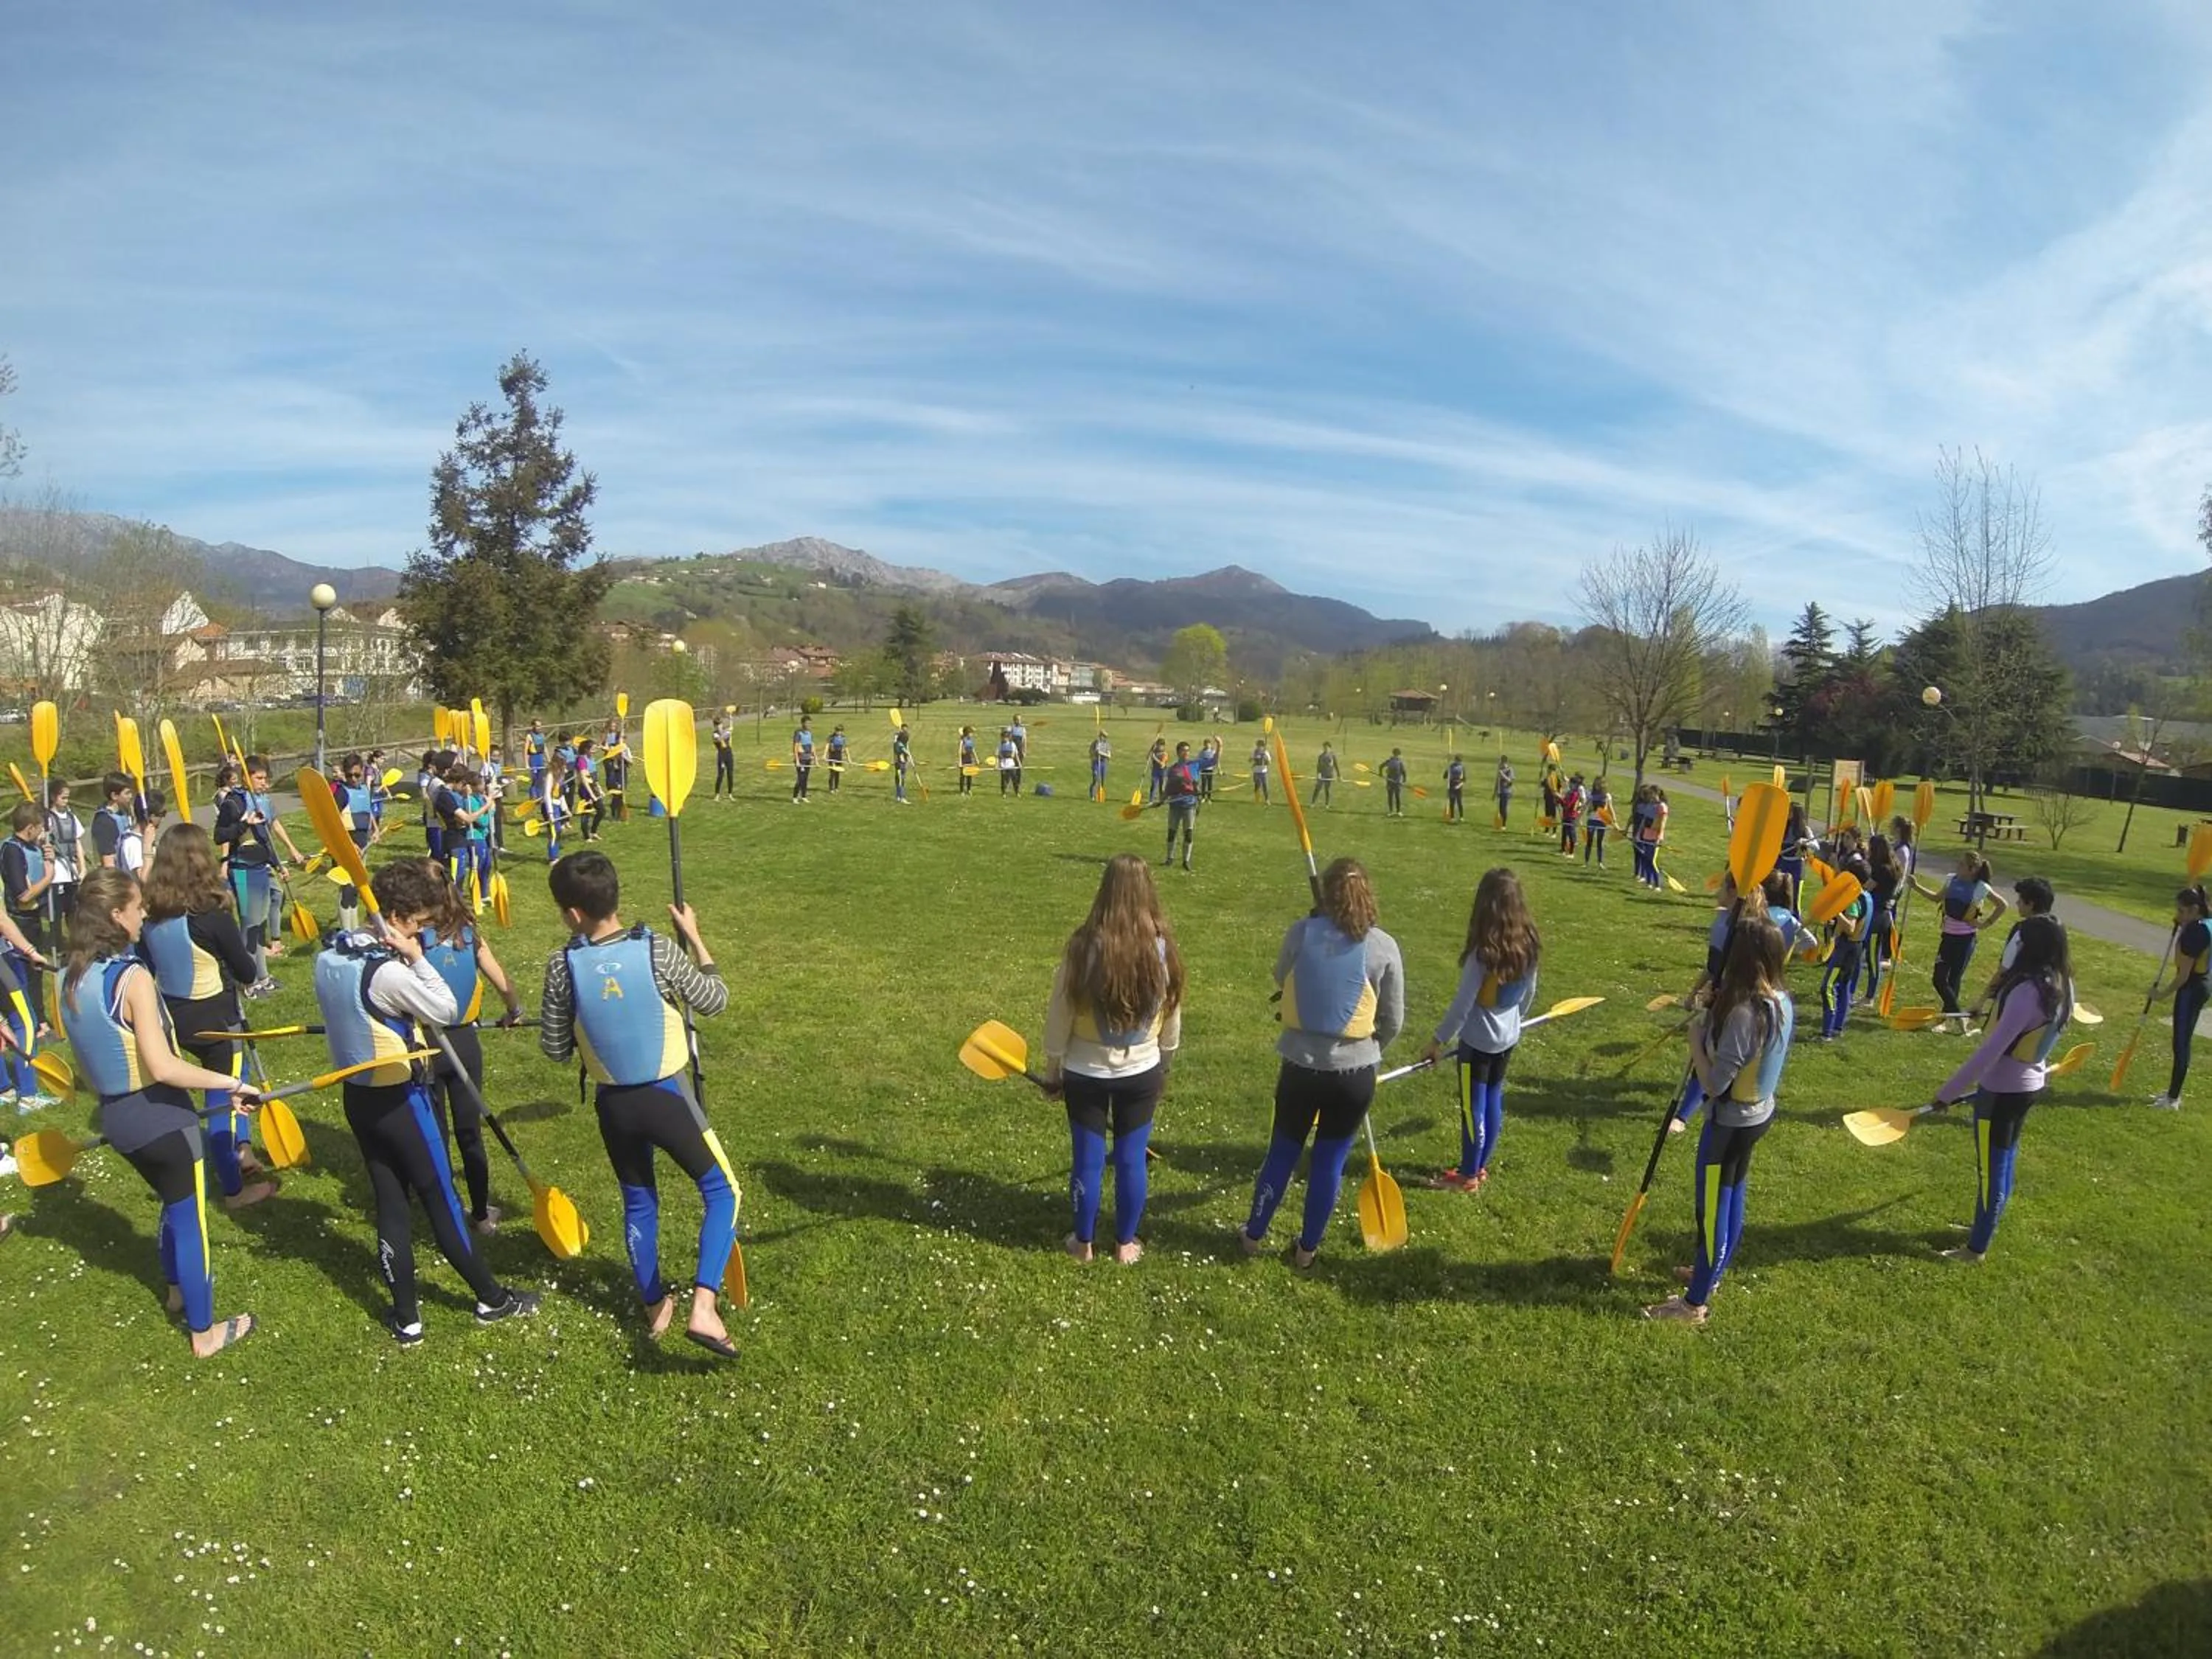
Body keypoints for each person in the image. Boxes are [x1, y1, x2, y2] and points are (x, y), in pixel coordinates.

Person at [313, 858, 540, 1345]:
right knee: (442, 1198)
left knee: (391, 1203)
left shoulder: (330, 955)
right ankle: (491, 1300)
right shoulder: (387, 972)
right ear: (396, 917)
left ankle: (407, 1320)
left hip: (360, 1101)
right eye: (417, 923)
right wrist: (415, 957)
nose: (421, 932)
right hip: (403, 1102)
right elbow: (447, 1009)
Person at [539, 849, 737, 1358]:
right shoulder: (659, 951)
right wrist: (694, 937)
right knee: (722, 1191)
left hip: (614, 1107)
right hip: (667, 1096)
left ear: (574, 915)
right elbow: (714, 998)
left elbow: (556, 1050)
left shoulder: (561, 966)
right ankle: (703, 1307)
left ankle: (655, 1307)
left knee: (639, 1202)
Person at [58, 867, 264, 1356]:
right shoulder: (130, 977)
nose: (144, 911)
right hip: (162, 1118)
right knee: (190, 1220)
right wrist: (231, 1083)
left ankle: (176, 1293)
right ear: (115, 915)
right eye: (136, 906)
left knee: (173, 1206)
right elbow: (164, 1066)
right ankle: (205, 1332)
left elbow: (89, 1063)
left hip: (119, 1120)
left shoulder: (67, 975)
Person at [1240, 858, 1404, 1268]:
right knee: (1329, 1161)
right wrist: (1370, 1050)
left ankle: (1253, 1236)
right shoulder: (1384, 946)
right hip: (1354, 1077)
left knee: (1283, 1152)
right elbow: (1394, 1018)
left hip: (1300, 1067)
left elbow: (1283, 978)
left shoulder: (1301, 932)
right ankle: (1306, 1251)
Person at [1645, 913, 1794, 1324]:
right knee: (1731, 1196)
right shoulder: (1780, 999)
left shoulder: (1747, 1014)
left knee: (1714, 1210)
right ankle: (1711, 1273)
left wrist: (1696, 1040)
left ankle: (1693, 1305)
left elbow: (1713, 1083)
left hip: (1730, 1123)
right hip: (1755, 1117)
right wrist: (1713, 1012)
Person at [1040, 853, 1183, 1265]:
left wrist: (1054, 1067)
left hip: (1085, 1071)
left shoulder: (1082, 946)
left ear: (1104, 892)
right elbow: (1172, 1013)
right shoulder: (1163, 947)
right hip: (1142, 1070)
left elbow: (1060, 1012)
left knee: (1087, 1158)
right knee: (1130, 1158)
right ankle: (1125, 1244)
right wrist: (1165, 1063)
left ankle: (1082, 1244)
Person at [140, 823, 276, 1208]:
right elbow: (248, 972)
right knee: (224, 1100)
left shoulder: (150, 916)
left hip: (171, 1019)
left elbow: (148, 963)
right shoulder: (211, 916)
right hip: (215, 1021)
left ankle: (244, 1151)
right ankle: (234, 1190)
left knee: (237, 1082)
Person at [1927, 914, 2072, 1259]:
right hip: (2028, 1085)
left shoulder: (2026, 991)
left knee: (1991, 1167)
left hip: (2003, 1091)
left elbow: (1991, 1052)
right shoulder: (2060, 982)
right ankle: (1986, 1220)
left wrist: (1946, 1093)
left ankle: (1976, 1247)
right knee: (2005, 1158)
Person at [421, 866, 526, 1234]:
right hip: (464, 1044)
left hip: (425, 1045)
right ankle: (480, 1215)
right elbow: (501, 980)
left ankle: (446, 1213)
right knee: (470, 1132)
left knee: (436, 1133)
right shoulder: (471, 935)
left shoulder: (414, 940)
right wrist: (515, 1010)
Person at [1421, 868, 1538, 1192]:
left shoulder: (1482, 954)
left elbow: (1462, 1005)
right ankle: (1478, 1165)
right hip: (1507, 1038)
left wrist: (1437, 1041)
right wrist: (1515, 1020)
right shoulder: (1529, 943)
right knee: (1493, 1097)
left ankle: (1469, 1175)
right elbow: (1529, 992)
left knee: (1473, 1108)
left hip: (1477, 1043)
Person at [1911, 851, 2006, 1020]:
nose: (1957, 866)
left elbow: (2002, 905)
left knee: (1954, 979)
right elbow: (1936, 898)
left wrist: (1985, 923)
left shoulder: (1981, 888)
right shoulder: (1951, 880)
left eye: (1961, 864)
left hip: (1965, 940)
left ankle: (1949, 1018)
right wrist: (1916, 886)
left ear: (1973, 870)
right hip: (1948, 937)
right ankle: (1959, 1017)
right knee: (1938, 979)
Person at [2149, 885, 2209, 1110]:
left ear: (2195, 910)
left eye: (2182, 911)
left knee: (2181, 1044)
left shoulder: (2195, 933)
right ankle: (2173, 1093)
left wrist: (2161, 994)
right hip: (2203, 985)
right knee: (2181, 1042)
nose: (2178, 916)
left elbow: (2183, 975)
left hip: (2191, 989)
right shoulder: (2205, 925)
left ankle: (2172, 1099)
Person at [2, 801, 55, 1024]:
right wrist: (49, 876)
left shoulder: (32, 846)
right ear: (30, 828)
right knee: (28, 975)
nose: (42, 832)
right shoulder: (12, 850)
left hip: (33, 919)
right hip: (19, 921)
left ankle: (39, 1019)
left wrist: (47, 858)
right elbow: (23, 895)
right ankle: (35, 1022)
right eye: (40, 827)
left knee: (37, 973)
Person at [1817, 859, 1872, 1042]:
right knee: (1844, 987)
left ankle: (1827, 1031)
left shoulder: (1854, 900)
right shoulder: (1868, 897)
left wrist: (1835, 911)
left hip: (1846, 950)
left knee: (1828, 987)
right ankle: (1838, 1027)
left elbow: (1850, 927)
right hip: (1857, 948)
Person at [44, 778, 86, 922]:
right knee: (56, 914)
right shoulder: (47, 819)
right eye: (63, 797)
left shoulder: (72, 818)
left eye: (68, 797)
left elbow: (77, 843)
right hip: (56, 874)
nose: (66, 801)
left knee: (73, 912)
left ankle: (74, 941)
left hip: (71, 872)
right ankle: (57, 941)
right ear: (53, 797)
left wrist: (83, 868)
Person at [90, 771, 140, 872]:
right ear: (114, 796)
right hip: (116, 876)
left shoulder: (124, 813)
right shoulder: (104, 821)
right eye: (127, 793)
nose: (131, 796)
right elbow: (108, 861)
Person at [1161, 741, 1199, 872]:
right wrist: (1162, 799)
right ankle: (1170, 858)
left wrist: (1219, 746)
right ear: (1178, 752)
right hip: (1175, 805)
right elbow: (1168, 788)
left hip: (1189, 805)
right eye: (1184, 750)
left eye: (1188, 750)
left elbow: (1214, 760)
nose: (1186, 753)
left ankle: (1186, 861)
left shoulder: (1194, 765)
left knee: (1188, 834)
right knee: (1172, 832)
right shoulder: (1173, 770)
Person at [1630, 785, 1670, 890]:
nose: (1650, 796)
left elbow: (1662, 824)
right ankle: (1649, 882)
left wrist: (1658, 838)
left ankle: (1657, 885)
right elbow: (1643, 822)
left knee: (1652, 861)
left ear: (1657, 794)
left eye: (1651, 794)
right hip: (1645, 836)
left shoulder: (1662, 806)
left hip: (1654, 838)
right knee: (1646, 860)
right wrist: (1638, 835)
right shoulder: (1650, 805)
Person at [1584, 776, 1612, 868]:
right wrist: (1578, 817)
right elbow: (1586, 806)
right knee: (1589, 841)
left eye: (1599, 784)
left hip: (1601, 821)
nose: (1597, 785)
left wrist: (1614, 820)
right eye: (1596, 783)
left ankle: (1600, 862)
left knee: (1600, 842)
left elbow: (1610, 809)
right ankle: (1586, 862)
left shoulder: (1607, 796)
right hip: (1592, 820)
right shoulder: (1591, 794)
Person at [711, 712, 736, 800]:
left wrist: (730, 727)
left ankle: (730, 794)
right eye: (717, 725)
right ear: (715, 726)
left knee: (730, 775)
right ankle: (717, 795)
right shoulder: (715, 734)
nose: (719, 727)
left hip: (729, 754)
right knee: (720, 775)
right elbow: (720, 739)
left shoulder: (726, 731)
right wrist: (728, 731)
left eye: (720, 724)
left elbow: (728, 737)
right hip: (721, 755)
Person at [790, 715, 815, 803]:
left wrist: (815, 758)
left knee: (806, 778)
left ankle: (804, 796)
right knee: (800, 779)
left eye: (810, 723)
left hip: (808, 759)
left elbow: (812, 745)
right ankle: (795, 797)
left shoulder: (810, 733)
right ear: (803, 723)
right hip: (801, 760)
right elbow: (796, 747)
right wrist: (797, 760)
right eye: (807, 723)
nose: (808, 725)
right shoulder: (798, 733)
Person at [1559, 772, 1583, 855]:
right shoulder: (1569, 793)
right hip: (1566, 815)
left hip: (1571, 816)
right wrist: (1559, 800)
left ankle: (1571, 853)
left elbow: (1568, 805)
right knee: (1564, 834)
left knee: (1571, 834)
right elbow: (1564, 804)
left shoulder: (1575, 794)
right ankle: (1562, 850)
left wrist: (1561, 799)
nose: (1571, 785)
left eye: (1573, 784)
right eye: (1571, 783)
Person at [1382, 748, 1408, 817]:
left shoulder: (1399, 762)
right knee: (1391, 796)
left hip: (1397, 782)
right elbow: (1381, 766)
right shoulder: (1391, 761)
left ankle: (1398, 811)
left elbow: (1403, 772)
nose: (1397, 756)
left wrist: (1404, 781)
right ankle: (1391, 811)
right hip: (1390, 782)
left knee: (1397, 797)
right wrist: (1380, 774)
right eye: (1396, 754)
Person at [525, 720, 549, 795]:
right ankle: (533, 795)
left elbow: (545, 748)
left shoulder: (542, 735)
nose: (539, 728)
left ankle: (540, 795)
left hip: (540, 758)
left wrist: (548, 759)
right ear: (533, 726)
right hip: (533, 759)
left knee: (541, 778)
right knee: (535, 778)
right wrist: (526, 764)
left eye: (540, 726)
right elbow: (525, 750)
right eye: (537, 726)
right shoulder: (529, 736)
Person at [1312, 742, 1338, 809]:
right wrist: (1319, 774)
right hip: (1322, 775)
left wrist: (1339, 775)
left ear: (1330, 748)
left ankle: (1327, 804)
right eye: (1324, 748)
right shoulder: (1321, 756)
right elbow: (1319, 766)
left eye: (1327, 748)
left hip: (1329, 775)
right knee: (1317, 789)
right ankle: (1313, 803)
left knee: (1327, 790)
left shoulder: (1333, 756)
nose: (1325, 749)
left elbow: (1336, 766)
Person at [998, 729, 1022, 796]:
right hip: (1003, 765)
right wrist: (997, 765)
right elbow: (998, 755)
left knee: (1014, 779)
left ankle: (1017, 792)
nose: (1003, 739)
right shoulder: (1000, 745)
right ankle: (1004, 793)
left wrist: (1019, 764)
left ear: (1008, 738)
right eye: (1002, 737)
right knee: (1004, 780)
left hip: (1011, 765)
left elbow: (1016, 755)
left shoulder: (1012, 745)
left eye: (1005, 737)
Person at [827, 725, 849, 796]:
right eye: (837, 731)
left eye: (840, 731)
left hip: (839, 757)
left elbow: (845, 748)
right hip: (832, 756)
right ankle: (831, 789)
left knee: (838, 773)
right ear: (835, 730)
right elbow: (829, 747)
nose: (839, 732)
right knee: (832, 773)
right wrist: (825, 755)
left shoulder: (843, 738)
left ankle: (836, 787)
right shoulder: (832, 738)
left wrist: (848, 758)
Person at [891, 727, 912, 804]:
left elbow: (896, 738)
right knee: (901, 781)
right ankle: (902, 798)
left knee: (898, 780)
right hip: (901, 765)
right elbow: (905, 751)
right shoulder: (900, 745)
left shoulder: (896, 743)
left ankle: (898, 796)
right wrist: (909, 755)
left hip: (898, 764)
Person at [1087, 728, 1109, 801]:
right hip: (1096, 763)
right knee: (1096, 779)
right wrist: (1096, 753)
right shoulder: (1096, 743)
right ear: (1100, 736)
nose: (1104, 738)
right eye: (1103, 736)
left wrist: (1103, 754)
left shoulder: (1107, 744)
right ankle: (1092, 795)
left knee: (1103, 780)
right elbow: (1093, 752)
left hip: (1103, 763)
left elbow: (1109, 754)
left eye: (1105, 737)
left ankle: (1100, 795)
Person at [1146, 736, 1169, 804]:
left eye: (1160, 746)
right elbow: (1147, 757)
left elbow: (1162, 765)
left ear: (1163, 746)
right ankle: (1151, 800)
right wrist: (1151, 750)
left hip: (1162, 772)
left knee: (1162, 787)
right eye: (1158, 745)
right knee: (1154, 785)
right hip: (1155, 771)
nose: (1159, 747)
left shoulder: (1164, 754)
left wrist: (1154, 758)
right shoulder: (1154, 752)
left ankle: (1162, 800)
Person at [1443, 754, 1466, 823]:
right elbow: (1445, 776)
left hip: (1459, 786)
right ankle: (1452, 817)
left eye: (1459, 761)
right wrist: (1447, 771)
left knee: (1459, 802)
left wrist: (1459, 785)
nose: (1458, 763)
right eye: (1457, 761)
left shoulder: (1462, 768)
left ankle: (1461, 817)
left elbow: (1464, 780)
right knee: (1452, 802)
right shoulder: (1451, 767)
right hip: (1452, 786)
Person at [1197, 735, 1220, 801]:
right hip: (1204, 770)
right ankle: (1203, 797)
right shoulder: (1202, 752)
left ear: (1210, 745)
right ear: (1204, 745)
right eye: (1206, 744)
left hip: (1210, 770)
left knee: (1210, 784)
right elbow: (1199, 761)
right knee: (1204, 784)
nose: (1207, 746)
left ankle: (1209, 798)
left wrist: (1219, 769)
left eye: (1208, 744)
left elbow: (1217, 760)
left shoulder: (1213, 752)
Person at [1248, 736, 1270, 804]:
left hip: (1263, 772)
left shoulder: (1266, 753)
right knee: (1257, 785)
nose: (1259, 747)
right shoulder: (1254, 752)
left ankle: (1267, 800)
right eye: (1258, 746)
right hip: (1256, 772)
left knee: (1265, 786)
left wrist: (1265, 758)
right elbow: (1249, 760)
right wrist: (1254, 758)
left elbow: (1269, 762)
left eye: (1261, 746)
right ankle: (1257, 799)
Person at [1493, 757, 1514, 827]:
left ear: (1505, 762)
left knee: (1504, 809)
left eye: (1502, 763)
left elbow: (1510, 781)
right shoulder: (1500, 769)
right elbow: (1497, 781)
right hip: (1501, 792)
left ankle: (1504, 825)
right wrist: (1495, 792)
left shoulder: (1509, 770)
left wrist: (1502, 774)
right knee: (1500, 809)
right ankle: (1500, 822)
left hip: (1506, 792)